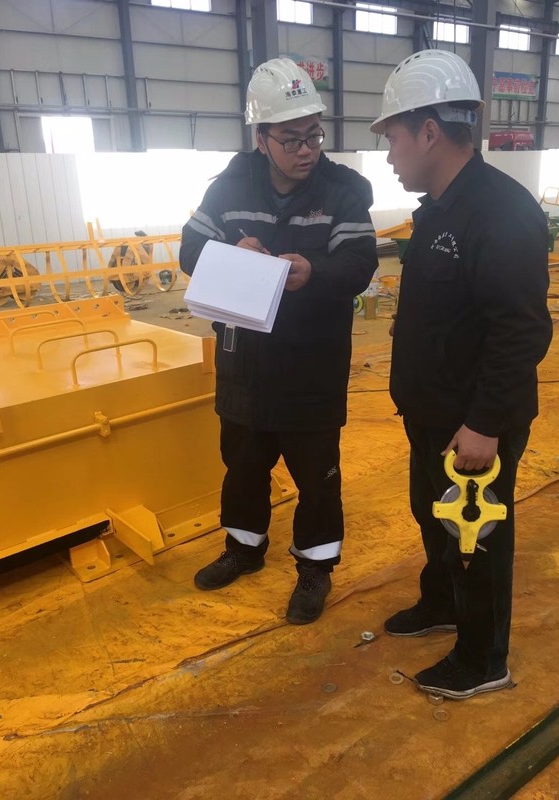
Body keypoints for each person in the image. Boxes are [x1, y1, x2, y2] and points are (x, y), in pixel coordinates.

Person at [370, 50, 552, 698]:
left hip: (473, 424)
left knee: (475, 536)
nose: (389, 155)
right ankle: (443, 603)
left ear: (428, 132)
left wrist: (484, 423)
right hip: (433, 412)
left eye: (392, 137)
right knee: (434, 517)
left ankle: (481, 660)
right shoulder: (441, 208)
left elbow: (522, 329)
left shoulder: (499, 212)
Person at [180, 58, 378, 624]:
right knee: (242, 465)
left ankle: (315, 568)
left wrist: (313, 271)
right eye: (291, 138)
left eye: (313, 135)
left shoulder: (343, 191)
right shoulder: (229, 186)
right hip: (244, 363)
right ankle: (243, 549)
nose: (306, 149)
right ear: (261, 137)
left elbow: (360, 262)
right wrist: (227, 254)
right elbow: (189, 250)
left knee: (317, 477)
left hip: (312, 366)